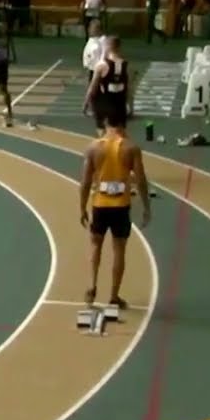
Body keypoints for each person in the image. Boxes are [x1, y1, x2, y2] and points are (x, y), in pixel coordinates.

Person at [78, 111, 151, 310]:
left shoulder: (93, 147)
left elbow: (85, 181)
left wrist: (82, 207)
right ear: (124, 126)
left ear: (105, 123)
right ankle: (114, 296)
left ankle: (92, 285)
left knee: (95, 246)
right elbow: (141, 180)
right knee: (119, 250)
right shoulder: (131, 148)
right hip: (121, 206)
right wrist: (146, 207)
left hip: (100, 205)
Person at [83, 36, 131, 135]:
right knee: (121, 135)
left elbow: (93, 87)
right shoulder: (126, 65)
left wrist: (86, 103)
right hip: (120, 104)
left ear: (108, 47)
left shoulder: (102, 65)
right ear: (119, 47)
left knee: (103, 134)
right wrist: (129, 105)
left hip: (104, 103)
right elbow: (129, 88)